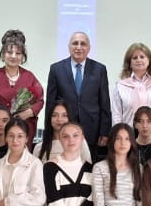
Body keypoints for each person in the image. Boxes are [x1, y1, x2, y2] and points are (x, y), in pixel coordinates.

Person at [45, 31, 111, 159]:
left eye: (83, 44)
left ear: (89, 48)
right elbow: (50, 104)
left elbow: (105, 103)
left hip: (92, 130)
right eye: (75, 43)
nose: (79, 47)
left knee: (89, 165)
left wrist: (104, 131)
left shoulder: (100, 69)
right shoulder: (56, 69)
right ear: (69, 46)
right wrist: (50, 132)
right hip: (63, 130)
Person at [0, 29, 44, 142]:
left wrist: (27, 113)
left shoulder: (29, 77)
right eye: (9, 52)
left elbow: (39, 101)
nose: (13, 56)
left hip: (20, 131)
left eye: (18, 53)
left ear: (23, 56)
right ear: (3, 54)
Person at [111, 43, 151, 129]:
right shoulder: (120, 86)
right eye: (135, 58)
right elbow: (117, 115)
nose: (138, 60)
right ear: (129, 63)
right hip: (129, 133)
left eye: (142, 57)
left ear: (149, 61)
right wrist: (118, 133)